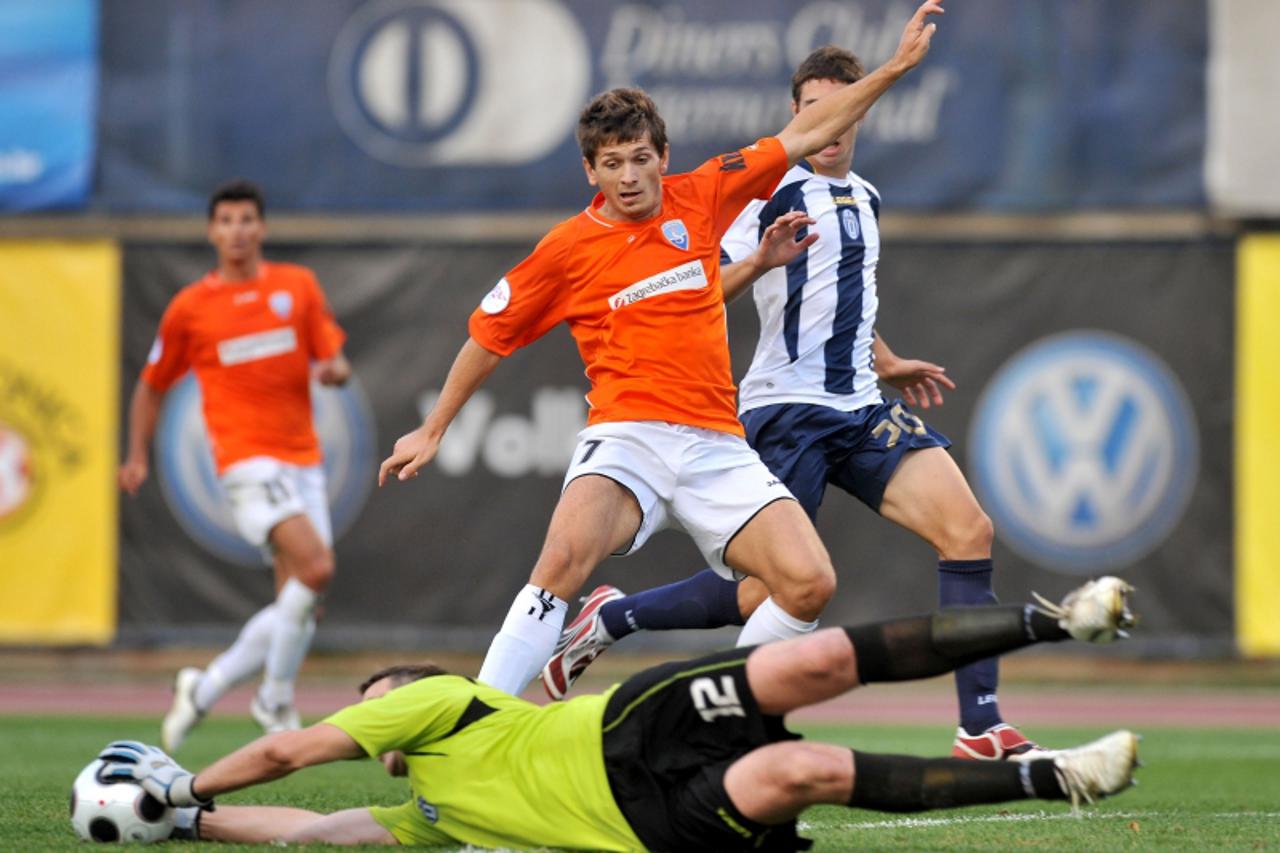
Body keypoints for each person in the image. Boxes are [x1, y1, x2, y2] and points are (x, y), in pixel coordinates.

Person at [378, 2, 948, 697]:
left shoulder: (702, 194)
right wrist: (433, 427)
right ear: (590, 169)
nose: (629, 176)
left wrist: (893, 69)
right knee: (560, 560)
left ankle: (723, 719)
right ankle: (475, 721)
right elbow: (487, 338)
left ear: (663, 157)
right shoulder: (565, 249)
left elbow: (807, 132)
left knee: (808, 583)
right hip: (628, 436)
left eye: (640, 158)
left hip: (716, 442)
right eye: (612, 163)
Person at [541, 47, 1034, 761]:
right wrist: (761, 261)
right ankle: (613, 617)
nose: (829, 124)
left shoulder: (865, 196)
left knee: (969, 530)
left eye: (844, 106)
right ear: (796, 115)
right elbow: (698, 286)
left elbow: (843, 299)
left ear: (860, 113)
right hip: (785, 409)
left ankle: (980, 726)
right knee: (762, 593)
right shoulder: (769, 190)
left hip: (861, 408)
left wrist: (886, 359)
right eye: (812, 110)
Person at [96, 577, 1139, 850]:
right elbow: (313, 826)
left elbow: (288, 752)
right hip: (649, 825)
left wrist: (182, 778)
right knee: (797, 773)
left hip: (632, 721)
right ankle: (1054, 774)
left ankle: (1055, 622)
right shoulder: (435, 818)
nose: (359, 714)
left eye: (367, 697)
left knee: (812, 659)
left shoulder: (433, 702)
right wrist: (188, 823)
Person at [119, 179, 351, 750]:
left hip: (304, 461)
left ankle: (206, 685)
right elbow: (151, 386)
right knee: (316, 569)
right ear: (211, 231)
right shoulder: (191, 308)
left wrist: (334, 372)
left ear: (262, 228)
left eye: (247, 219)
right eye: (226, 221)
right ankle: (274, 696)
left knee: (299, 605)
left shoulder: (296, 288)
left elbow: (335, 358)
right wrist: (136, 455)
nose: (237, 231)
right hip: (245, 462)